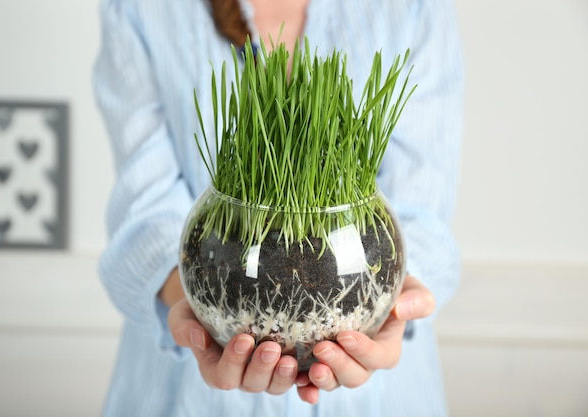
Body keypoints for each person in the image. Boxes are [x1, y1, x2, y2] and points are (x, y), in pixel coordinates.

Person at [93, 0, 464, 416]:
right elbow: (145, 206)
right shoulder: (141, 9)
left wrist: (393, 306)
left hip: (375, 397)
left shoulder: (413, 7)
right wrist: (206, 315)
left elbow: (419, 216)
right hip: (185, 392)